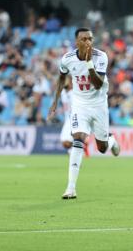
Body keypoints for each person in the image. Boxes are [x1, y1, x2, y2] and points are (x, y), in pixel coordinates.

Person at [48, 27, 120, 200]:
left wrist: (89, 64)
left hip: (99, 105)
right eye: (84, 39)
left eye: (90, 39)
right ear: (77, 42)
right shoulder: (67, 59)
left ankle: (110, 140)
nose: (88, 42)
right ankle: (71, 188)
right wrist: (56, 100)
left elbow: (97, 83)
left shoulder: (100, 56)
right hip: (80, 104)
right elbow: (61, 77)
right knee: (78, 137)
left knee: (101, 148)